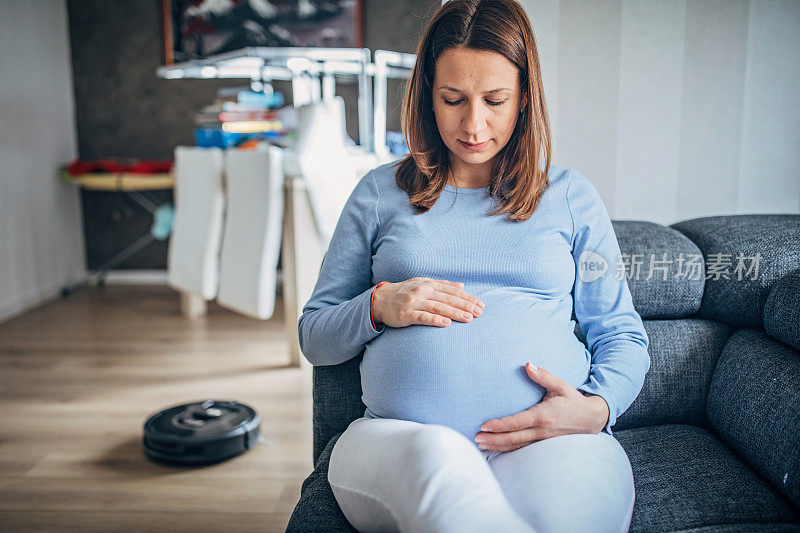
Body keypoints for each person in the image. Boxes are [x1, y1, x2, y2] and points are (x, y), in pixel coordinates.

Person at [297, 0, 650, 531]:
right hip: (400, 442)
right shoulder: (378, 194)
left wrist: (596, 409)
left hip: (547, 440)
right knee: (444, 473)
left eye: (495, 100)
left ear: (524, 98)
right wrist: (377, 305)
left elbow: (622, 333)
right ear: (426, 97)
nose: (473, 123)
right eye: (453, 99)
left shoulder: (572, 198)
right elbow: (314, 335)